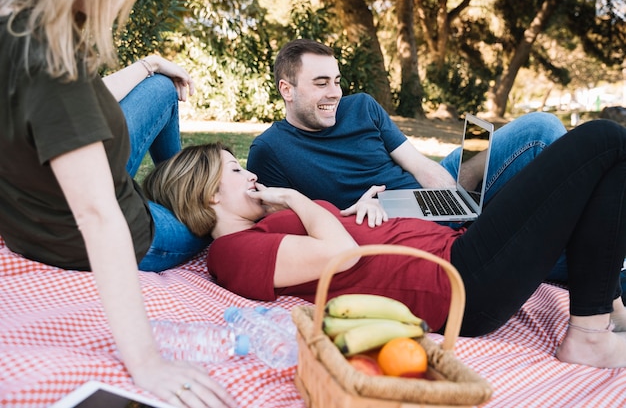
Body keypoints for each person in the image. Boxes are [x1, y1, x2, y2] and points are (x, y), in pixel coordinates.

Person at [143, 118, 626, 369]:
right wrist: (296, 197)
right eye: (236, 169)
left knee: (601, 178)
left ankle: (607, 315)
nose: (251, 174)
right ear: (207, 192)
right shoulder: (232, 252)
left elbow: (340, 241)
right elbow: (337, 256)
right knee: (601, 141)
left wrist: (365, 211)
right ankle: (587, 337)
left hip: (460, 251)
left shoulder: (264, 229)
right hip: (460, 282)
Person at [0, 0, 235, 407]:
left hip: (36, 215)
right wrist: (146, 362)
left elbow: (68, 110)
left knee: (162, 87)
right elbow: (97, 216)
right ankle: (197, 196)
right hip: (111, 231)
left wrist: (150, 65)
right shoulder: (50, 62)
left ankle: (182, 182)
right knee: (221, 220)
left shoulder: (19, 26)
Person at [247, 39, 567, 228]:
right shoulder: (269, 149)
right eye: (321, 83)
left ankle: (474, 212)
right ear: (286, 90)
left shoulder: (362, 106)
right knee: (546, 229)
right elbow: (285, 224)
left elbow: (417, 163)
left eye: (337, 80)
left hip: (439, 186)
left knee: (543, 126)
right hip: (392, 219)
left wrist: (455, 200)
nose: (335, 93)